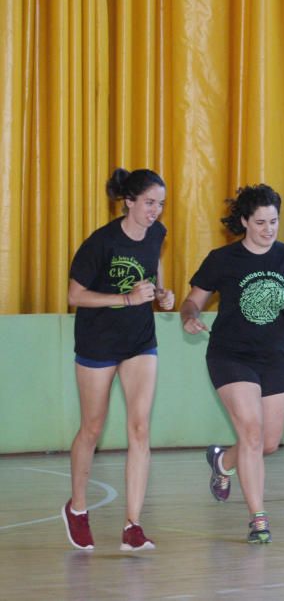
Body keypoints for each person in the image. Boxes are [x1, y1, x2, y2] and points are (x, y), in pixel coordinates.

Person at [179, 185, 284, 544]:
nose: (269, 229)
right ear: (245, 222)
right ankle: (258, 519)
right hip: (230, 355)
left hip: (274, 358)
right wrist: (189, 317)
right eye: (261, 222)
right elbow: (192, 301)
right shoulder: (223, 259)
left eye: (274, 221)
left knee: (267, 443)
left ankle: (222, 462)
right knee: (250, 432)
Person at [62, 168, 175, 551]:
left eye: (160, 203)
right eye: (148, 203)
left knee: (140, 428)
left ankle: (133, 525)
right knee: (92, 429)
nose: (155, 211)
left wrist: (161, 292)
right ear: (129, 201)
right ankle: (77, 509)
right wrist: (125, 299)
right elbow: (75, 296)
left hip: (140, 340)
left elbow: (153, 264)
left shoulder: (157, 233)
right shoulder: (101, 243)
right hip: (97, 342)